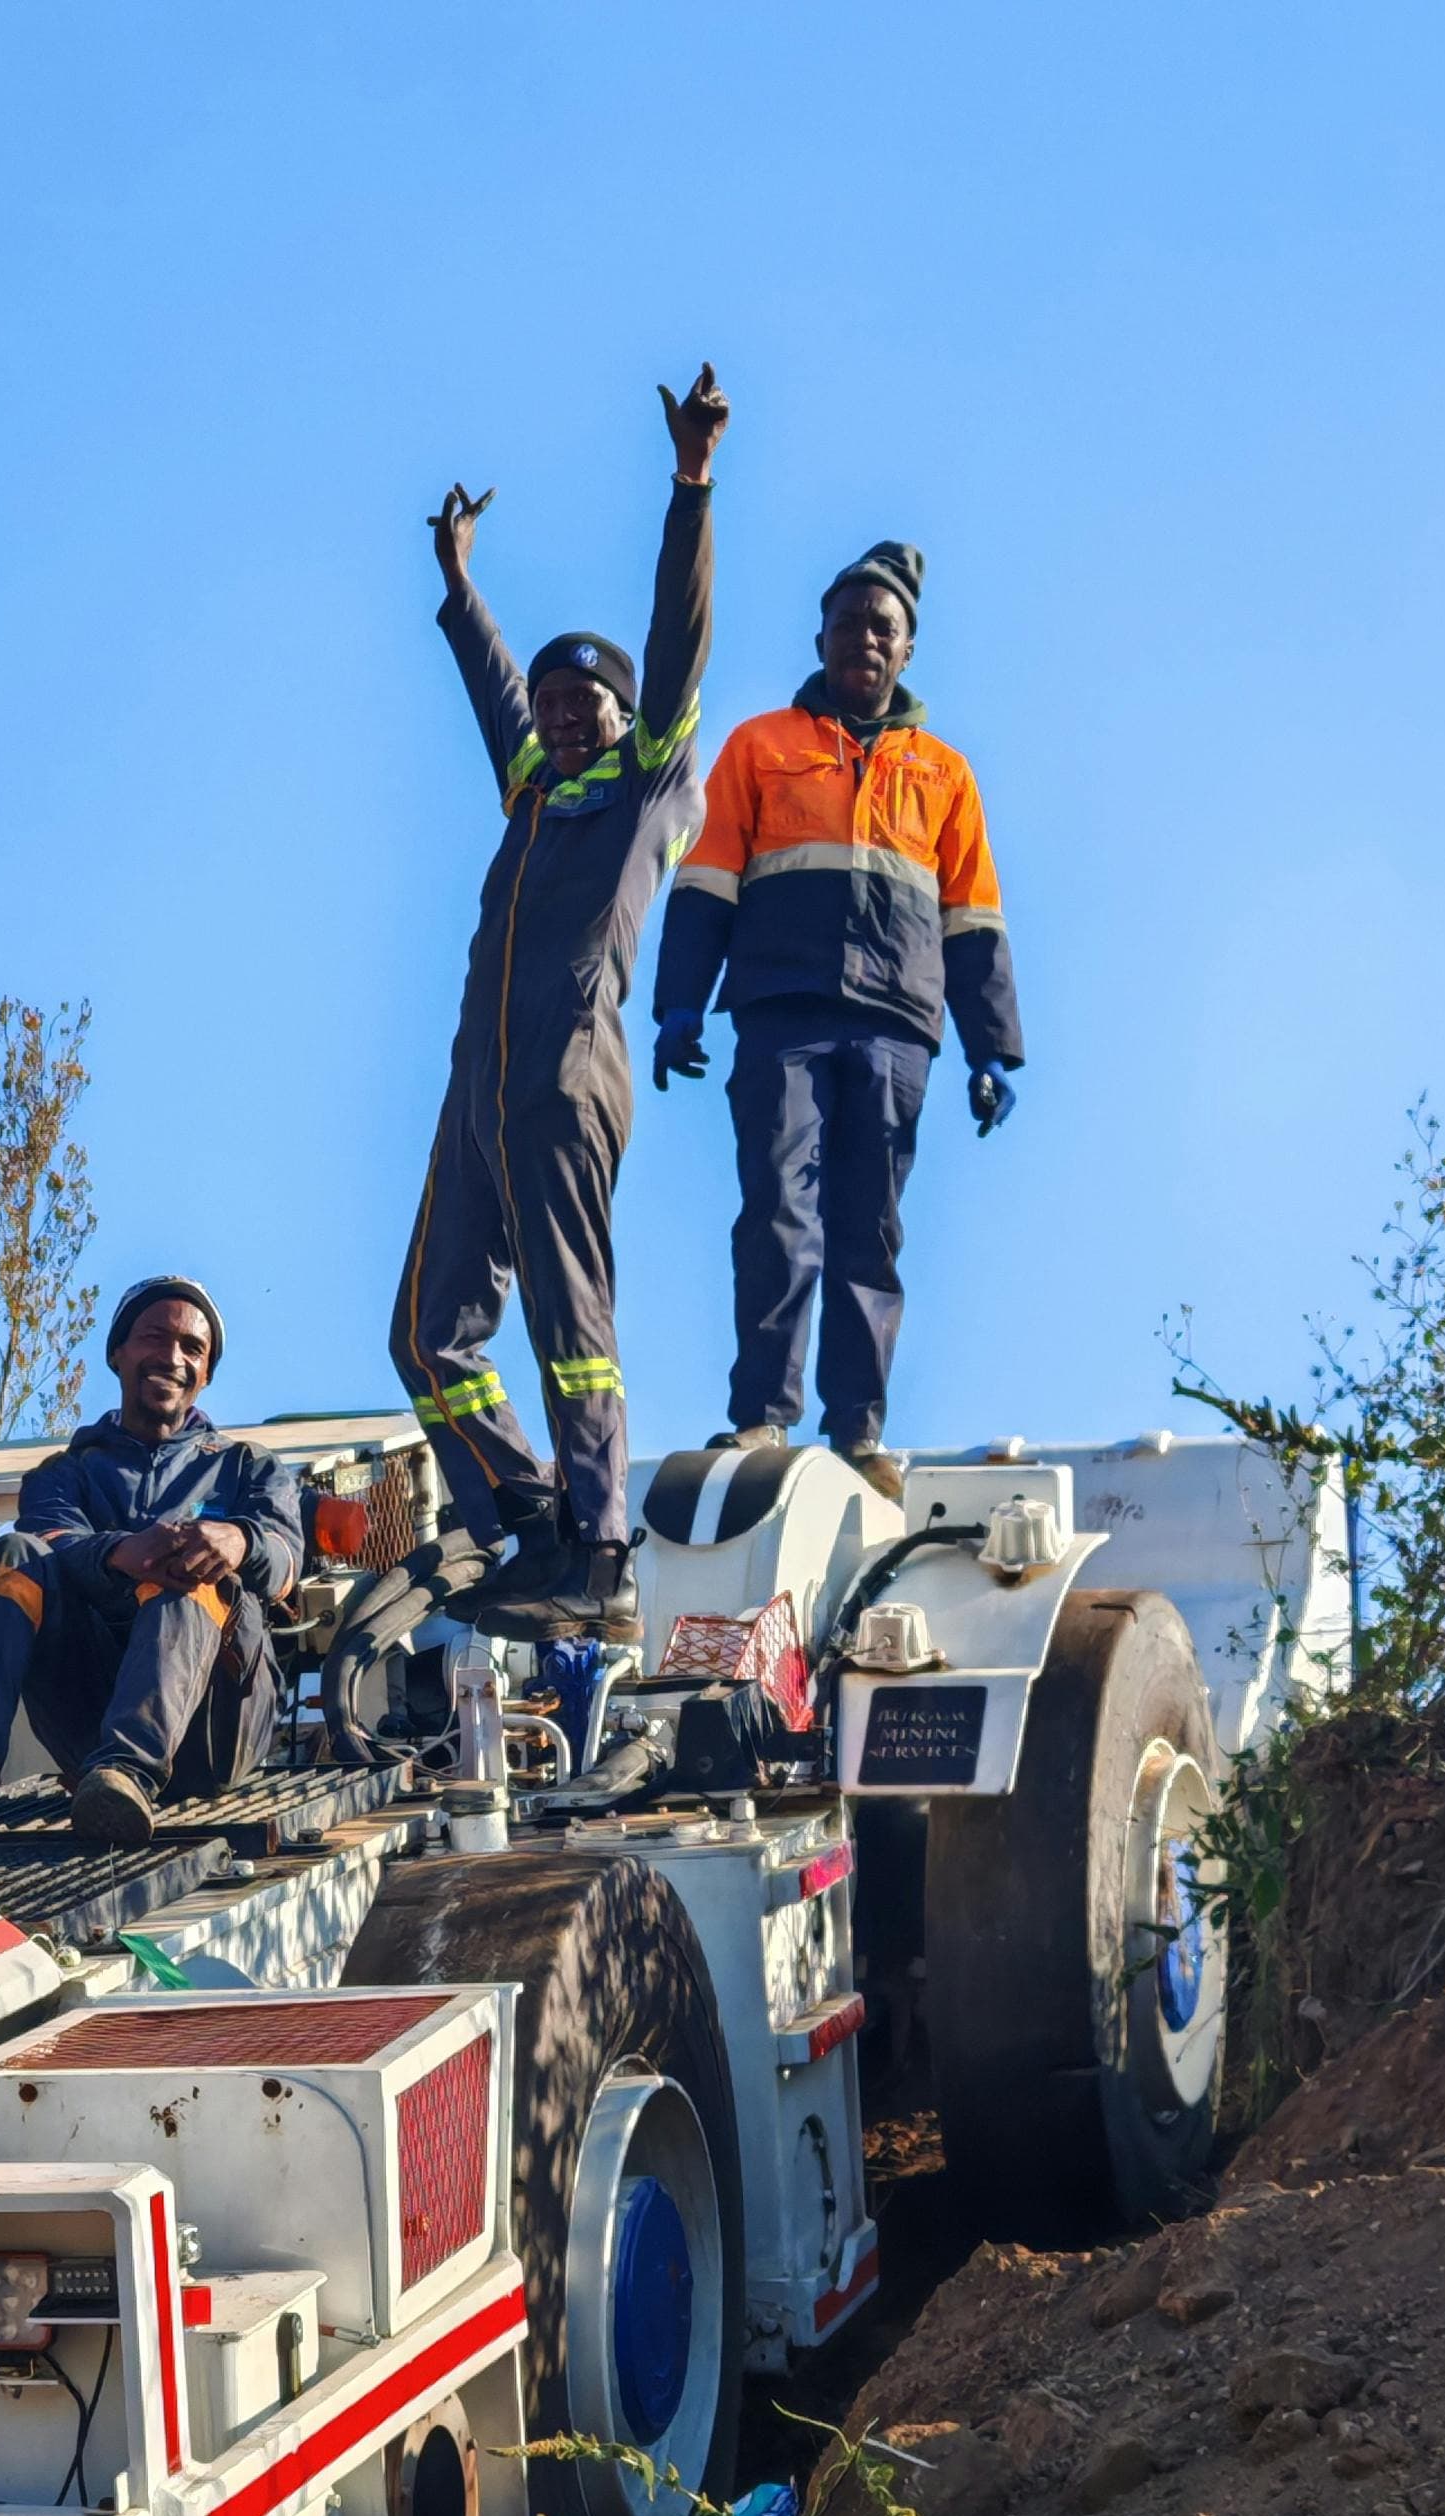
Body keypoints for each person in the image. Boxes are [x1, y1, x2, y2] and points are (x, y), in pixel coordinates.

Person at [387, 363, 731, 1640]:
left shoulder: (648, 791)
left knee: (569, 1326)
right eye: (550, 698)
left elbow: (681, 635)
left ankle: (600, 1551)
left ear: (632, 718)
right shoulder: (534, 795)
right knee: (427, 1335)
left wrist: (691, 486)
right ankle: (527, 1516)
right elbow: (489, 690)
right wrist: (461, 585)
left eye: (587, 696)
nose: (561, 711)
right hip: (475, 1089)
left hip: (566, 1074)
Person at [648, 540, 1024, 1499]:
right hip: (783, 1015)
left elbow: (971, 914)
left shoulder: (944, 773)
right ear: (820, 634)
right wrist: (680, 1004)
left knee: (870, 1230)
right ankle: (761, 1418)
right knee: (778, 1213)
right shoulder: (760, 747)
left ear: (907, 652)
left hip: (898, 1030)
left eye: (884, 626)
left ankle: (859, 1434)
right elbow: (705, 882)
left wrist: (993, 1049)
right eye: (851, 620)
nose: (866, 636)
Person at [0, 1278, 303, 1855]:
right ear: (117, 1352)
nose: (172, 1357)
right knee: (10, 1559)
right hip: (87, 1739)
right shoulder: (62, 1474)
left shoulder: (249, 1467)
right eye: (154, 1337)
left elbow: (288, 1560)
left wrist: (241, 1541)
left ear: (206, 1375)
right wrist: (120, 1553)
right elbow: (50, 1534)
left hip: (213, 1734)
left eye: (192, 1349)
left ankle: (131, 1775)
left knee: (191, 1572)